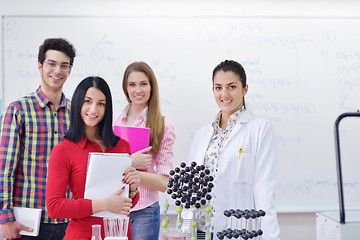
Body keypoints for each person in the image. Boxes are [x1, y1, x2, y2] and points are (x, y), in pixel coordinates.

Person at [188, 60, 280, 240]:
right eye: (218, 87)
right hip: (201, 230)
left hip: (236, 229)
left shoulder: (260, 128)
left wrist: (271, 237)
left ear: (245, 89)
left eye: (231, 87)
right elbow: (191, 188)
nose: (224, 94)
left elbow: (264, 190)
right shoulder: (202, 135)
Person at [46, 76, 140, 240]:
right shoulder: (63, 150)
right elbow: (55, 207)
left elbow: (127, 204)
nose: (94, 109)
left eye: (101, 103)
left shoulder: (123, 146)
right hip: (83, 235)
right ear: (77, 104)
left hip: (121, 234)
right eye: (87, 101)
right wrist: (103, 204)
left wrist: (133, 189)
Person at [0, 38, 76, 240]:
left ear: (69, 70)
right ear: (40, 66)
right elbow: (4, 168)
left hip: (68, 220)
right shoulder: (18, 110)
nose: (57, 70)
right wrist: (5, 217)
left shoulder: (77, 114)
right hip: (28, 222)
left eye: (64, 65)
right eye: (51, 64)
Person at [113, 62, 175, 240]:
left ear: (151, 87)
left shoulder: (163, 126)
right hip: (116, 207)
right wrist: (130, 162)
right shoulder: (114, 122)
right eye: (132, 84)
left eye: (143, 84)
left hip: (145, 211)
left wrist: (133, 173)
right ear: (126, 88)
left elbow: (164, 183)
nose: (138, 90)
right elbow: (104, 166)